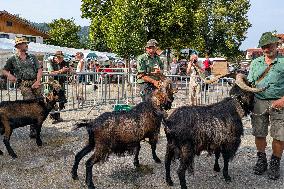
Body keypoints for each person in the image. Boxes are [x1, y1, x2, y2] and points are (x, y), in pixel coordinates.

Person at [247, 32, 284, 180]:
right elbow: (249, 83)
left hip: (279, 103)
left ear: (277, 45)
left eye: (270, 45)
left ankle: (275, 163)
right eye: (264, 47)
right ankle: (261, 160)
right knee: (259, 133)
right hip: (259, 102)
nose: (267, 49)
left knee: (280, 135)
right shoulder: (255, 63)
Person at [2, 36, 43, 138]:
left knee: (40, 105)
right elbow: (4, 70)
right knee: (30, 106)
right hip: (24, 85)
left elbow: (39, 69)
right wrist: (10, 76)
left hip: (35, 83)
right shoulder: (12, 59)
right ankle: (33, 130)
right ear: (19, 46)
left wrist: (38, 81)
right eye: (25, 43)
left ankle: (37, 127)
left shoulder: (32, 57)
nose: (27, 45)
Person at [47, 51, 71, 123]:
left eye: (61, 57)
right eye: (59, 57)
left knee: (62, 102)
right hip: (52, 85)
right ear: (55, 57)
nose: (60, 59)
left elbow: (70, 71)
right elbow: (51, 73)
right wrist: (61, 71)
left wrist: (70, 70)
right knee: (53, 102)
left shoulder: (65, 62)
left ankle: (54, 115)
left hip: (61, 85)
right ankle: (55, 117)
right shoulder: (50, 62)